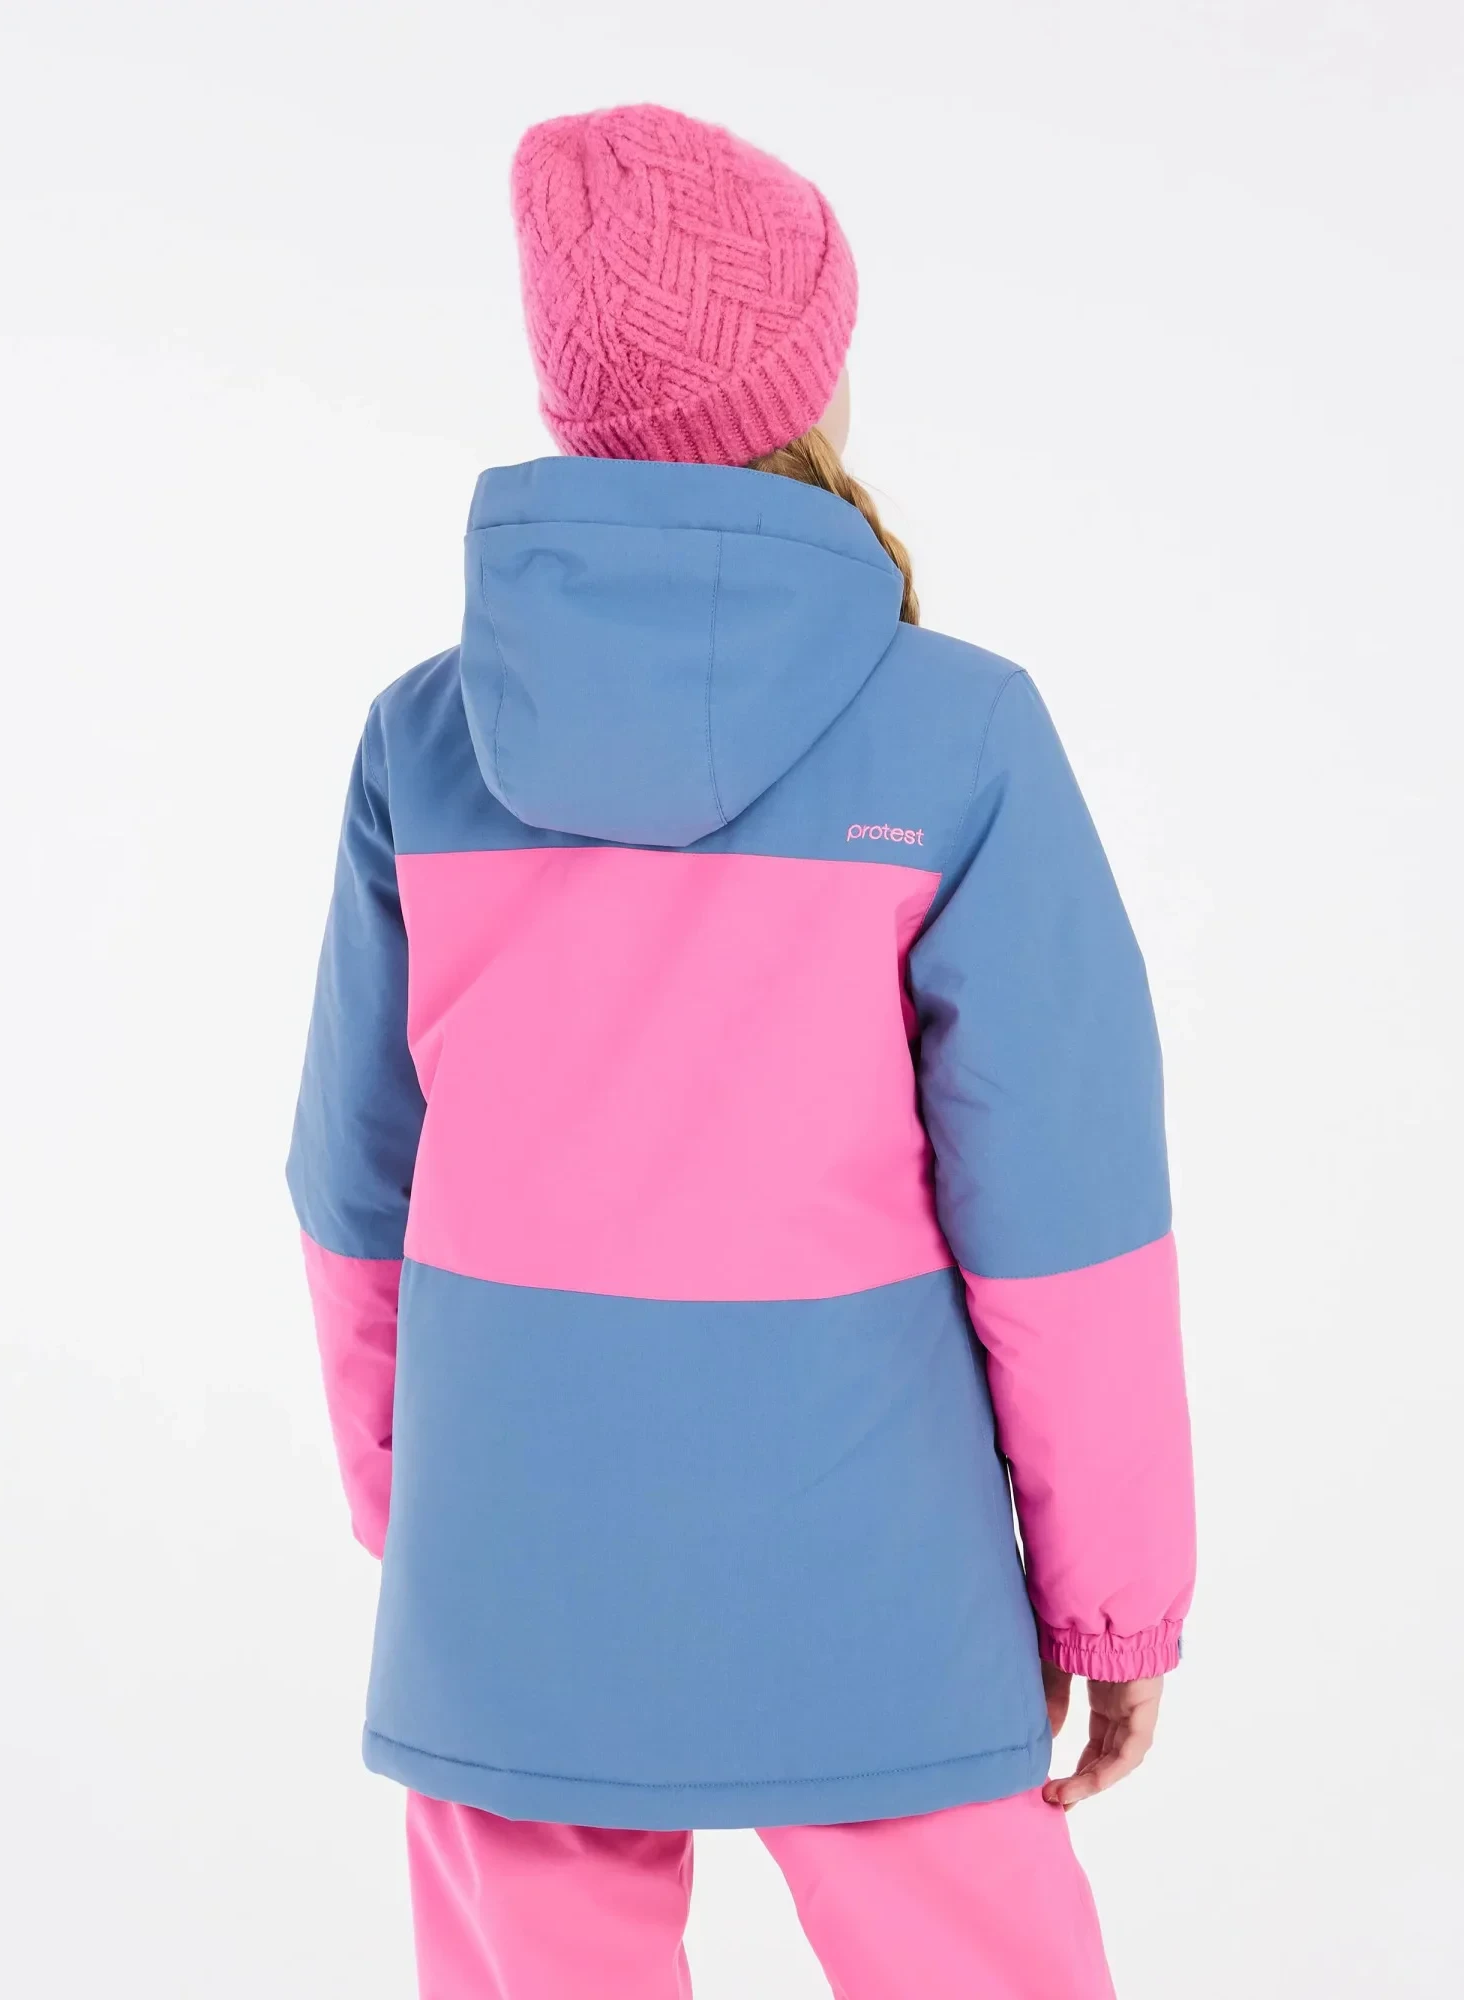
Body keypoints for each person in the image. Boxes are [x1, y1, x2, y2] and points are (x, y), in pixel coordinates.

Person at [287, 101, 1195, 2000]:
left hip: (513, 1557)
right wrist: (1110, 1597)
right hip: (872, 1560)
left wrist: (414, 1504)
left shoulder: (422, 746)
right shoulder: (961, 735)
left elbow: (353, 1180)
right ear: (811, 380)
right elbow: (1067, 1210)